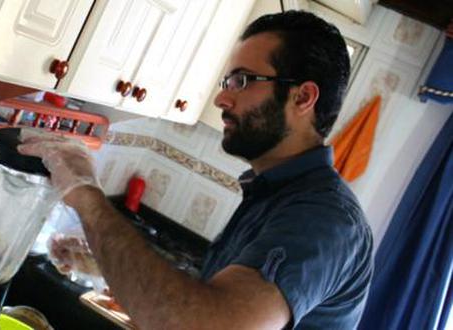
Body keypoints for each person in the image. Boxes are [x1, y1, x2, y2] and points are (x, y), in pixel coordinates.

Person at [19, 10, 373, 329]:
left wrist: (86, 196)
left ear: (302, 98)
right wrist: (106, 261)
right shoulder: (276, 194)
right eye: (226, 83)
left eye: (242, 81)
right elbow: (209, 299)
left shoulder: (325, 219)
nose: (221, 98)